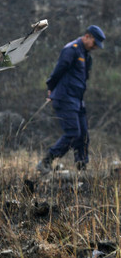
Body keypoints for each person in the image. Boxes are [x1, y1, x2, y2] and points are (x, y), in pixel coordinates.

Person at [36, 25, 106, 174]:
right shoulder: (71, 49)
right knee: (73, 133)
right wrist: (51, 87)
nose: (95, 47)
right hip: (65, 97)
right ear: (87, 36)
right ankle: (46, 161)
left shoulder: (86, 55)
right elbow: (58, 71)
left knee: (84, 135)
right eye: (94, 43)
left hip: (77, 100)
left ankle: (82, 168)